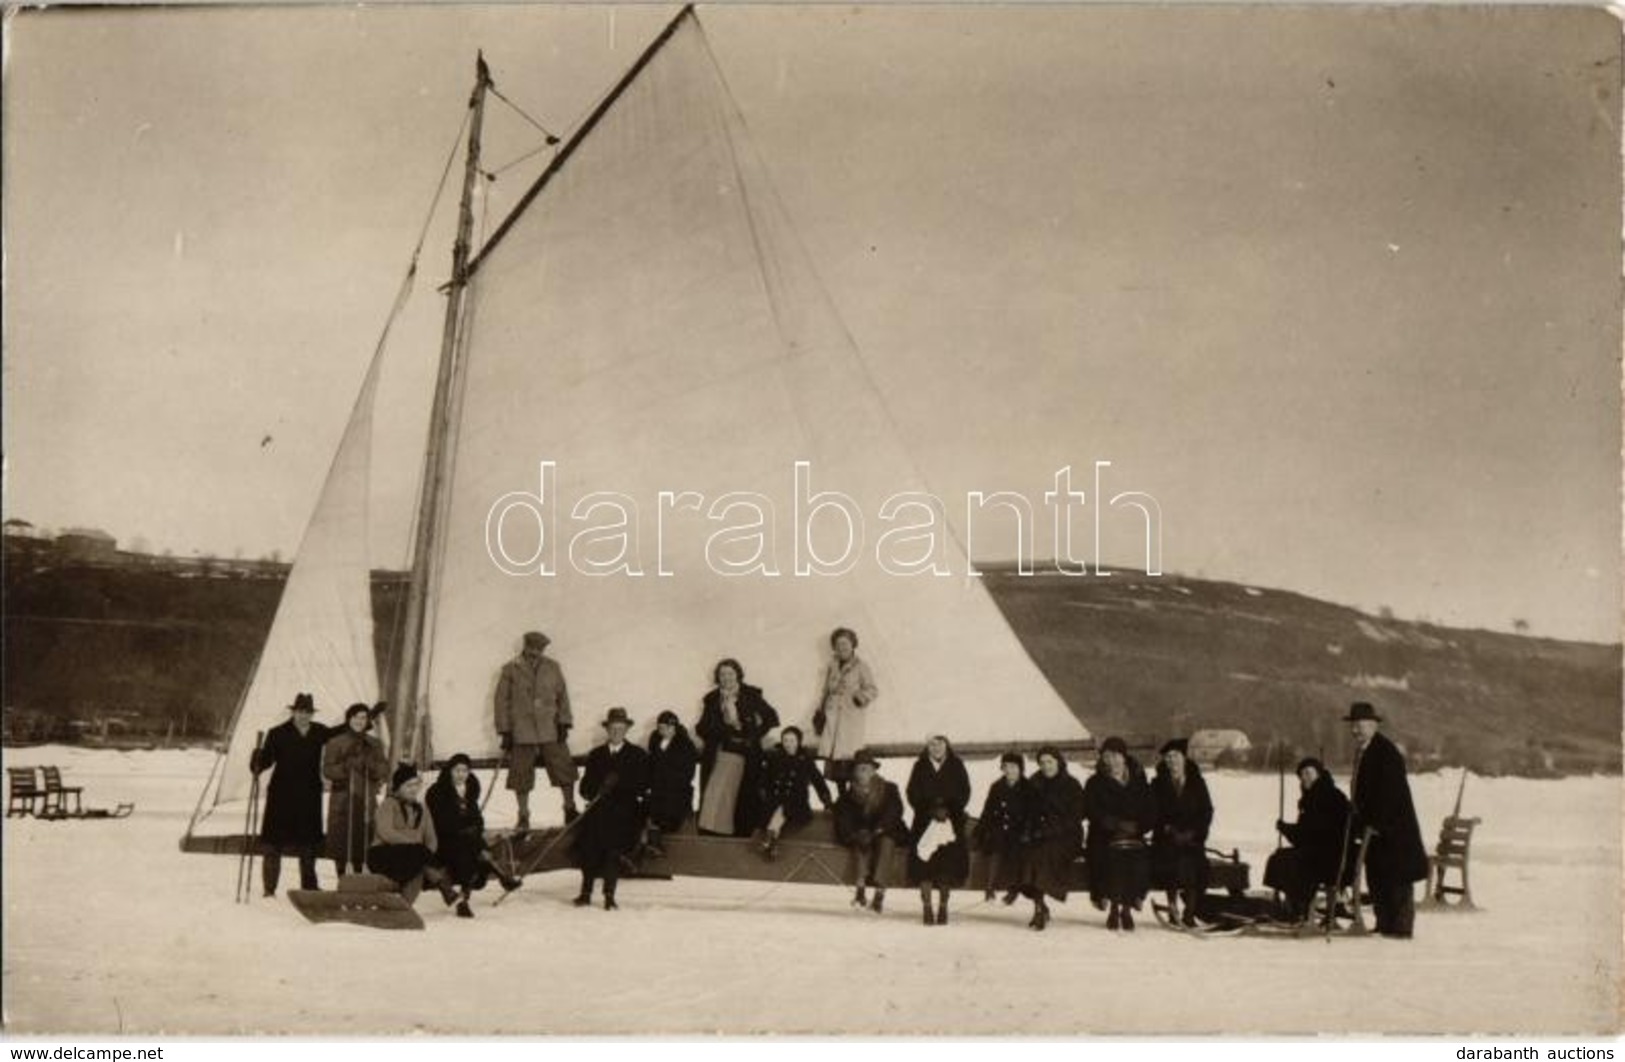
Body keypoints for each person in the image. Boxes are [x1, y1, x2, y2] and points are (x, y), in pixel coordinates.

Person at [1346, 702, 1428, 938]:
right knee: (1378, 876)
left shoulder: (1386, 753)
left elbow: (1390, 794)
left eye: (1360, 726)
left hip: (1394, 829)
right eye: (1353, 726)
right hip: (1376, 829)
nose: (1355, 731)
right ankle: (1385, 923)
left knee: (1398, 879)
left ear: (1373, 726)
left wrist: (1375, 822)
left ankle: (1401, 928)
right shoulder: (1366, 751)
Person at [494, 631, 578, 831]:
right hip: (522, 732)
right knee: (520, 775)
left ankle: (570, 808)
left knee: (564, 769)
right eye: (533, 648)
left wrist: (564, 723)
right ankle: (523, 815)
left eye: (540, 649)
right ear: (526, 646)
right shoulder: (510, 669)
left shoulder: (553, 667)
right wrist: (505, 731)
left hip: (550, 729)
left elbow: (563, 696)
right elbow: (501, 702)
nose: (536, 653)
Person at [250, 692, 333, 896]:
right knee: (273, 843)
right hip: (281, 796)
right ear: (293, 712)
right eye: (300, 711)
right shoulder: (277, 733)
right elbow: (266, 761)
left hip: (309, 796)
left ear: (312, 714)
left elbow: (342, 731)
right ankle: (269, 889)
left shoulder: (320, 731)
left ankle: (309, 887)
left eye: (308, 712)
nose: (304, 716)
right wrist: (257, 760)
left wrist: (368, 716)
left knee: (309, 844)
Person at [425, 753, 523, 918]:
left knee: (471, 847)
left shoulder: (470, 790)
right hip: (444, 839)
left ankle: (464, 901)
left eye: (465, 770)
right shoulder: (437, 791)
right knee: (472, 850)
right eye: (457, 770)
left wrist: (473, 828)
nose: (461, 774)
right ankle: (501, 876)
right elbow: (439, 820)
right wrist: (464, 828)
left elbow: (477, 818)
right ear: (450, 771)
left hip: (468, 838)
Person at [573, 707, 650, 911]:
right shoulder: (596, 755)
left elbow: (642, 786)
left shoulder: (637, 755)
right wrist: (598, 789)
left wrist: (619, 786)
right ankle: (585, 892)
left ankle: (609, 895)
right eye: (613, 728)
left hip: (625, 812)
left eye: (620, 728)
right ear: (607, 730)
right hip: (598, 809)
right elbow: (584, 788)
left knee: (613, 847)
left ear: (626, 730)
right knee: (588, 844)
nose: (616, 732)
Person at [695, 658, 779, 837]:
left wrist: (751, 734)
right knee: (717, 796)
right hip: (720, 752)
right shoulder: (711, 699)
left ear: (738, 675)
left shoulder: (751, 695)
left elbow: (771, 718)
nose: (726, 677)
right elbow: (701, 728)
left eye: (730, 673)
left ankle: (741, 835)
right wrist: (723, 730)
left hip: (747, 754)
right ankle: (718, 834)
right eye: (722, 674)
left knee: (744, 797)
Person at [1265, 757, 1352, 923]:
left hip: (1334, 857)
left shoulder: (1328, 796)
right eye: (1301, 774)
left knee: (1291, 861)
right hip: (1319, 851)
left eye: (1308, 773)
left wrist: (1286, 829)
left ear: (1319, 774)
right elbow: (1306, 835)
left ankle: (1299, 908)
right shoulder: (1311, 797)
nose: (1304, 777)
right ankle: (1293, 905)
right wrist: (1287, 828)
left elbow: (1312, 833)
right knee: (1279, 857)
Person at [1083, 736, 1155, 932]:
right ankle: (1114, 908)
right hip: (1104, 835)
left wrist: (1138, 827)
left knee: (1138, 859)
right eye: (1107, 756)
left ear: (1124, 757)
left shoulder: (1139, 780)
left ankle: (1127, 908)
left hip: (1133, 835)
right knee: (1111, 859)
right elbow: (1091, 810)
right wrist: (1113, 824)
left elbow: (1150, 811)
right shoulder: (1094, 782)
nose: (1112, 761)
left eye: (1116, 756)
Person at [905, 735, 971, 925]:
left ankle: (943, 907)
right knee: (924, 864)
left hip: (950, 822)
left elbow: (964, 792)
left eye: (940, 744)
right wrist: (929, 809)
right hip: (925, 822)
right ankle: (927, 908)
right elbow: (912, 793)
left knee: (946, 864)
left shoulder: (957, 765)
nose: (936, 748)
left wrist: (949, 809)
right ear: (927, 747)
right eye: (932, 744)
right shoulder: (920, 766)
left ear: (947, 746)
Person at [365, 765, 453, 905]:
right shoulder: (389, 804)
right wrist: (415, 847)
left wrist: (424, 853)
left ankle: (404, 907)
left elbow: (431, 838)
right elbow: (385, 832)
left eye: (416, 785)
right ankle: (443, 885)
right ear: (399, 787)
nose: (413, 789)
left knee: (418, 867)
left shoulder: (422, 809)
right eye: (408, 785)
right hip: (383, 854)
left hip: (413, 857)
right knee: (419, 856)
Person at [1020, 745, 1086, 931]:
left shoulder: (1071, 784)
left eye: (1050, 762)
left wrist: (1048, 830)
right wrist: (1028, 831)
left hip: (1067, 836)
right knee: (1027, 854)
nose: (1046, 766)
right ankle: (1039, 905)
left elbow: (1076, 816)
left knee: (1044, 853)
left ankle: (1039, 909)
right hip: (1039, 834)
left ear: (1058, 762)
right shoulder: (1034, 782)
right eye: (1042, 762)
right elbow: (1027, 811)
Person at [1149, 738, 1214, 927]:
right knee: (1172, 862)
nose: (1171, 761)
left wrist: (1193, 833)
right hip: (1166, 839)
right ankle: (1172, 908)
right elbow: (1153, 812)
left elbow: (1206, 812)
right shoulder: (1158, 784)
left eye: (1175, 756)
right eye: (1168, 757)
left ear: (1184, 758)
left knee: (1197, 865)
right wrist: (1168, 829)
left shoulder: (1198, 783)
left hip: (1192, 838)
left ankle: (1190, 912)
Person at [833, 751, 907, 913]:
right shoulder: (847, 796)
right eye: (860, 769)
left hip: (886, 830)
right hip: (863, 832)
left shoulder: (889, 788)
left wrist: (878, 830)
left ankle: (880, 893)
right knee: (860, 843)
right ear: (854, 772)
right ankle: (860, 890)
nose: (863, 772)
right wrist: (855, 834)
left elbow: (895, 811)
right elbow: (843, 818)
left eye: (867, 768)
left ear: (874, 770)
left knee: (887, 843)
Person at [321, 702, 389, 878]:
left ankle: (361, 884)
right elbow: (327, 770)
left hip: (365, 798)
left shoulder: (374, 743)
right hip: (343, 800)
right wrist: (346, 767)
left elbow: (383, 769)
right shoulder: (335, 742)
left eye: (363, 717)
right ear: (349, 718)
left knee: (364, 842)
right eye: (356, 717)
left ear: (367, 720)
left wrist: (371, 765)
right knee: (342, 844)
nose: (360, 721)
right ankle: (343, 880)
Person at [813, 627, 878, 787]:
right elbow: (825, 691)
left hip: (850, 722)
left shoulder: (861, 666)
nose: (842, 648)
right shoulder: (831, 666)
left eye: (845, 644)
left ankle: (850, 803)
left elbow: (872, 689)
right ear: (834, 647)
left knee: (849, 764)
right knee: (835, 767)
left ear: (853, 645)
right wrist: (820, 711)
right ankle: (841, 802)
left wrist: (860, 697)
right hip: (832, 721)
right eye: (838, 644)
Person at [756, 726, 833, 860]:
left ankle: (770, 838)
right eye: (785, 740)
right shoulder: (774, 758)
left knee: (782, 808)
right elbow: (764, 779)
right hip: (776, 798)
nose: (788, 744)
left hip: (797, 801)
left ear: (798, 742)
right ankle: (772, 842)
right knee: (778, 807)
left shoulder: (805, 760)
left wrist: (826, 799)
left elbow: (818, 780)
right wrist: (764, 793)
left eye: (792, 740)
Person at [973, 751, 1031, 906]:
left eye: (1013, 766)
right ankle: (990, 888)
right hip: (999, 829)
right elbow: (988, 811)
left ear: (1020, 768)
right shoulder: (997, 786)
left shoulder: (1028, 787)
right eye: (1006, 766)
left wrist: (1026, 831)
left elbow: (1032, 813)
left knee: (1016, 851)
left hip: (1019, 831)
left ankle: (1013, 890)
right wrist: (981, 830)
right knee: (995, 848)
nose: (1009, 770)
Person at [644, 709, 700, 856]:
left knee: (670, 808)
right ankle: (653, 844)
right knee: (650, 807)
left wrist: (668, 780)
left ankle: (664, 843)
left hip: (677, 790)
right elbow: (651, 766)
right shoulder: (655, 742)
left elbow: (688, 773)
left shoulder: (686, 746)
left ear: (675, 728)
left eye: (668, 727)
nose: (665, 730)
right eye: (661, 727)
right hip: (657, 789)